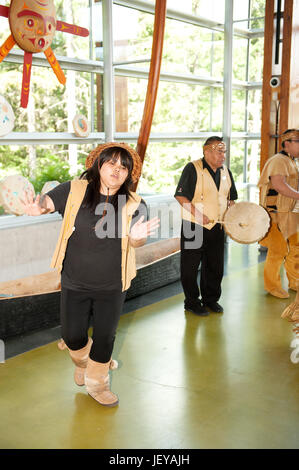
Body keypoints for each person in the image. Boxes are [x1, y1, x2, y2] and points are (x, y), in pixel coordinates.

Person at [21, 142, 159, 407]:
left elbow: (137, 241)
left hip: (113, 283)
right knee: (73, 336)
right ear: (99, 164)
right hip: (74, 280)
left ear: (129, 174)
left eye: (123, 167)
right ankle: (86, 361)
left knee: (105, 337)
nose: (117, 170)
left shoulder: (135, 203)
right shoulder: (75, 189)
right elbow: (48, 202)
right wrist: (39, 207)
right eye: (111, 163)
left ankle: (98, 383)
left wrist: (139, 238)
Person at [175, 136, 238, 316]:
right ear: (207, 151)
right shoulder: (192, 168)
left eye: (224, 152)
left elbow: (230, 199)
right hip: (193, 226)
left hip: (217, 227)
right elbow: (181, 196)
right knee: (190, 268)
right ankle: (192, 302)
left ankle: (211, 300)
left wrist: (234, 214)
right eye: (219, 151)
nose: (223, 156)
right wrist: (198, 214)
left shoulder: (226, 172)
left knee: (215, 266)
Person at [258, 129, 299, 298]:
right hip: (276, 214)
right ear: (287, 144)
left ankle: (295, 281)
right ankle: (272, 286)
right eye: (297, 141)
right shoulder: (278, 160)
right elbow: (278, 185)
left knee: (295, 248)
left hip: (290, 213)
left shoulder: (291, 161)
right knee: (278, 250)